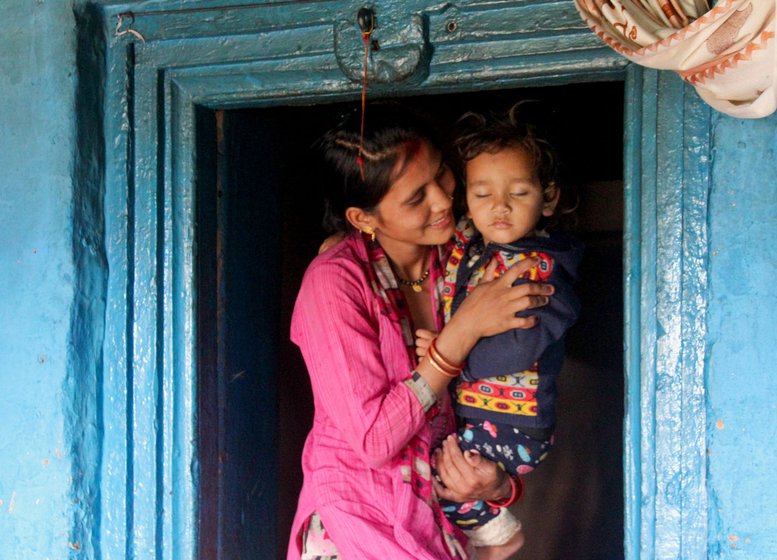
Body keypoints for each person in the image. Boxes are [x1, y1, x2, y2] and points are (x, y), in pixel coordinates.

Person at [286, 103, 555, 560]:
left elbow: (508, 398)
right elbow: (374, 441)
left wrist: (498, 485)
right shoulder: (334, 283)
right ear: (363, 218)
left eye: (443, 175)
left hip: (438, 527)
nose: (444, 199)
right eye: (416, 197)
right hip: (357, 525)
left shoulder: (466, 261)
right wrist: (464, 329)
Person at [416, 106, 583, 543]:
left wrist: (453, 357)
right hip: (476, 414)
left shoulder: (541, 271)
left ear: (548, 198)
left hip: (513, 427)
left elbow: (519, 345)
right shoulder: (472, 246)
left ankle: (495, 533)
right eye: (483, 194)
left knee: (441, 475)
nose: (500, 207)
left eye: (519, 193)